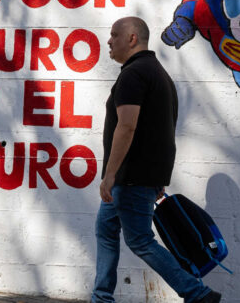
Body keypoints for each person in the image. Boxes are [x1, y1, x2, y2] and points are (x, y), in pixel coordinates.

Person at [92, 17, 221, 303]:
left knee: (139, 240)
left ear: (132, 38)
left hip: (129, 176)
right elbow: (163, 128)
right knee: (106, 229)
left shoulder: (133, 74)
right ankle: (101, 297)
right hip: (141, 176)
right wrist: (157, 178)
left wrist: (110, 174)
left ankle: (197, 293)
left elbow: (127, 126)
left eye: (115, 35)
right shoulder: (158, 74)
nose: (109, 41)